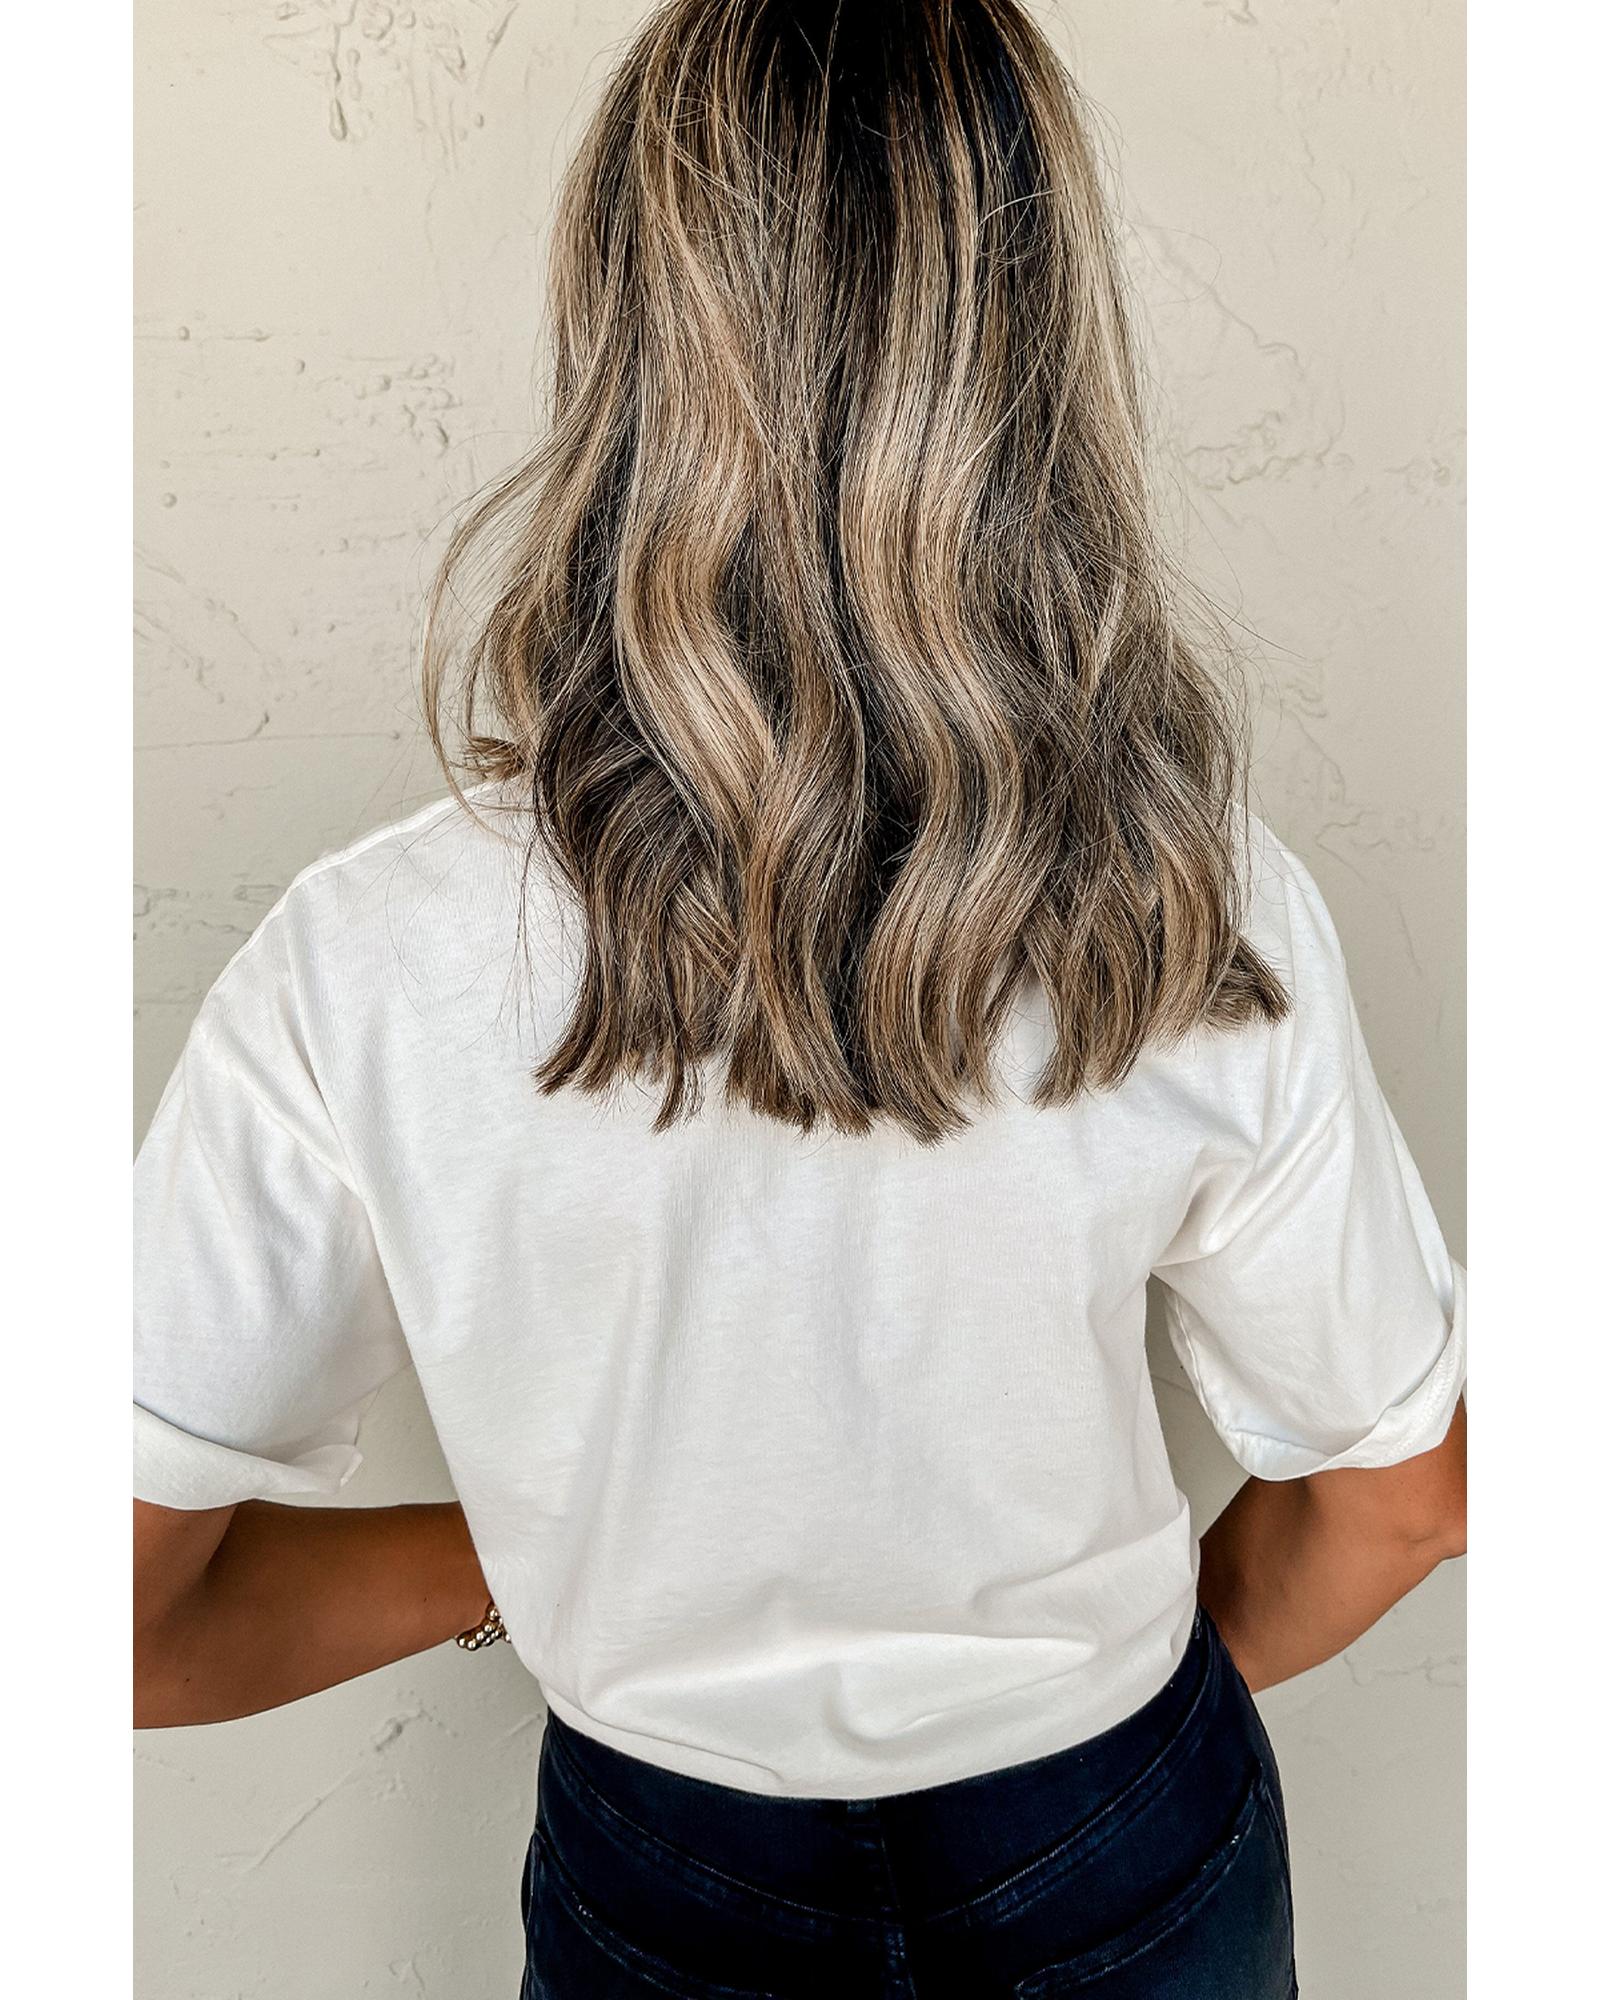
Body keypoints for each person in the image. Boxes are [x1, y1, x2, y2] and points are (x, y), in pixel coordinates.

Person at [132, 3, 1466, 1994]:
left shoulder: (363, 962)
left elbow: (115, 1619)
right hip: (1116, 1830)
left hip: (666, 1873)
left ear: (626, 331)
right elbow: (1401, 1497)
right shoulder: (1192, 902)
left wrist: (551, 1560)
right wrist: (1081, 1732)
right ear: (1032, 358)